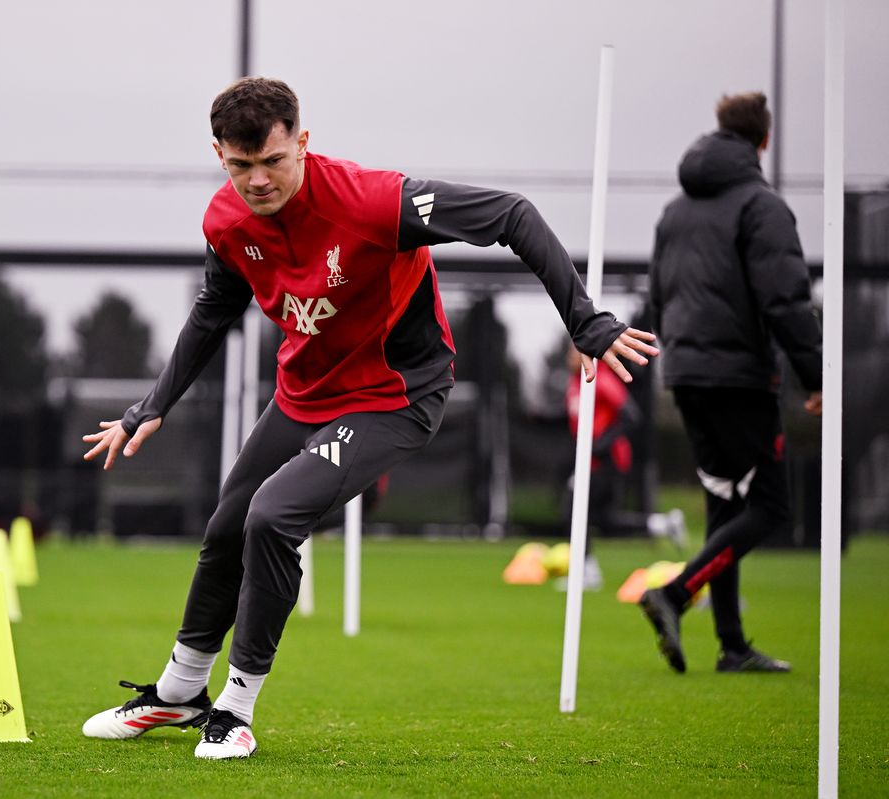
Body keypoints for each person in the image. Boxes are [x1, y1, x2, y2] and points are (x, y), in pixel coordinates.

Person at [80, 77, 658, 759]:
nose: (258, 180)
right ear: (219, 156)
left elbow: (513, 215)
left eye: (272, 160)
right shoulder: (225, 221)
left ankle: (234, 708)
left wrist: (585, 320)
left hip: (395, 396)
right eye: (240, 166)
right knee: (226, 528)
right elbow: (215, 309)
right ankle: (178, 694)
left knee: (272, 516)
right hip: (304, 394)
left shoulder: (375, 201)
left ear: (302, 141)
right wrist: (153, 406)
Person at [640, 92, 822, 674]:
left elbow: (658, 296)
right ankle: (674, 593)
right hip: (739, 376)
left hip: (687, 374)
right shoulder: (762, 207)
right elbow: (786, 299)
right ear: (763, 140)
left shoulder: (673, 212)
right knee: (770, 507)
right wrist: (816, 376)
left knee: (725, 504)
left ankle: (732, 645)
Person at [559, 343, 686, 591]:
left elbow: (631, 415)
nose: (570, 356)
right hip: (591, 459)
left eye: (574, 351)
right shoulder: (574, 382)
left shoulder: (601, 379)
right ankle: (662, 524)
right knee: (602, 519)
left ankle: (587, 570)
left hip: (608, 459)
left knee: (573, 509)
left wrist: (599, 445)